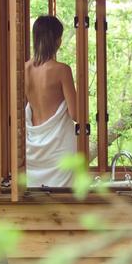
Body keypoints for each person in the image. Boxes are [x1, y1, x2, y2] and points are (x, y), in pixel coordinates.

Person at [25, 15, 77, 188]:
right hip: (59, 148)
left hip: (32, 146)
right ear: (57, 41)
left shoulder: (24, 69)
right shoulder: (62, 70)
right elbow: (75, 113)